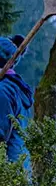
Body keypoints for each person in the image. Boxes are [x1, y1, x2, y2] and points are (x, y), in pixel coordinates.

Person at [0, 34, 33, 173]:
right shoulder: (15, 88)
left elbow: (1, 134)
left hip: (8, 177)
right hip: (20, 174)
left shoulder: (3, 91)